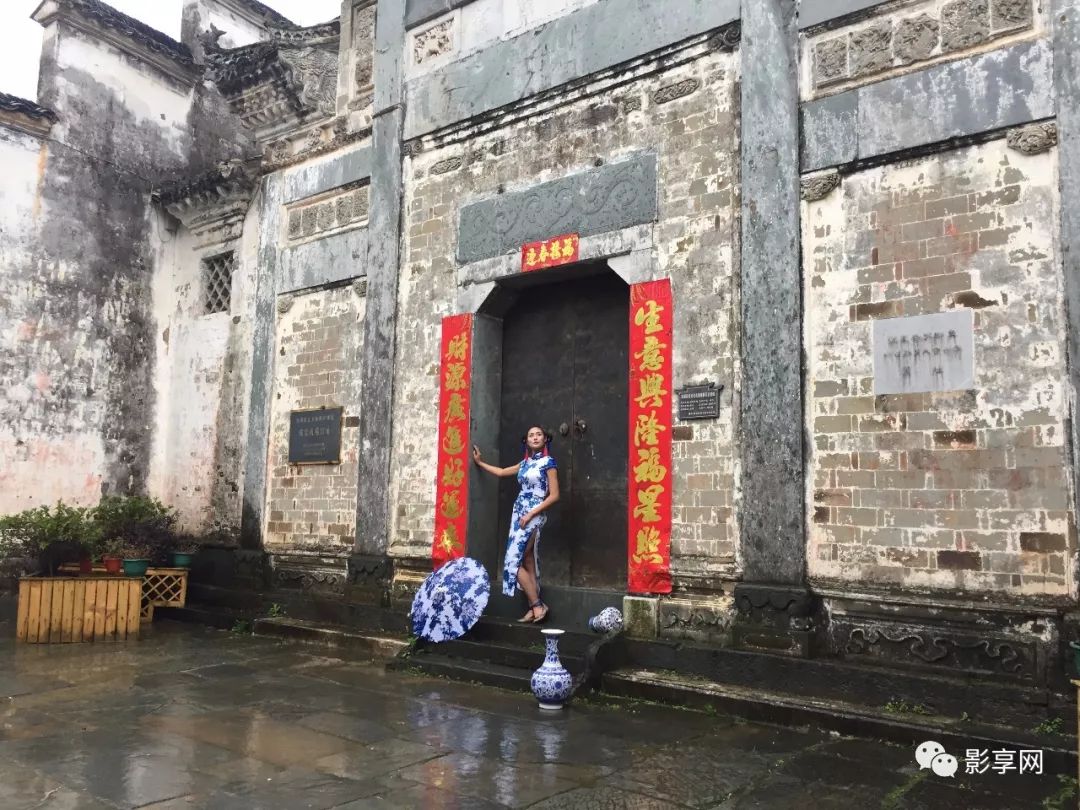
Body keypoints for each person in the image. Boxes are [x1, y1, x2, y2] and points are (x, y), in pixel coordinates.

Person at [472, 425, 560, 623]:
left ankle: (538, 605)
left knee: (513, 562)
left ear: (545, 439)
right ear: (526, 441)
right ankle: (533, 605)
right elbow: (502, 472)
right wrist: (480, 463)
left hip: (533, 514)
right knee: (526, 559)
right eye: (531, 435)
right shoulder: (525, 463)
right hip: (518, 514)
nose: (535, 437)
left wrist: (531, 514)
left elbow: (554, 495)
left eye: (539, 435)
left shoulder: (549, 463)